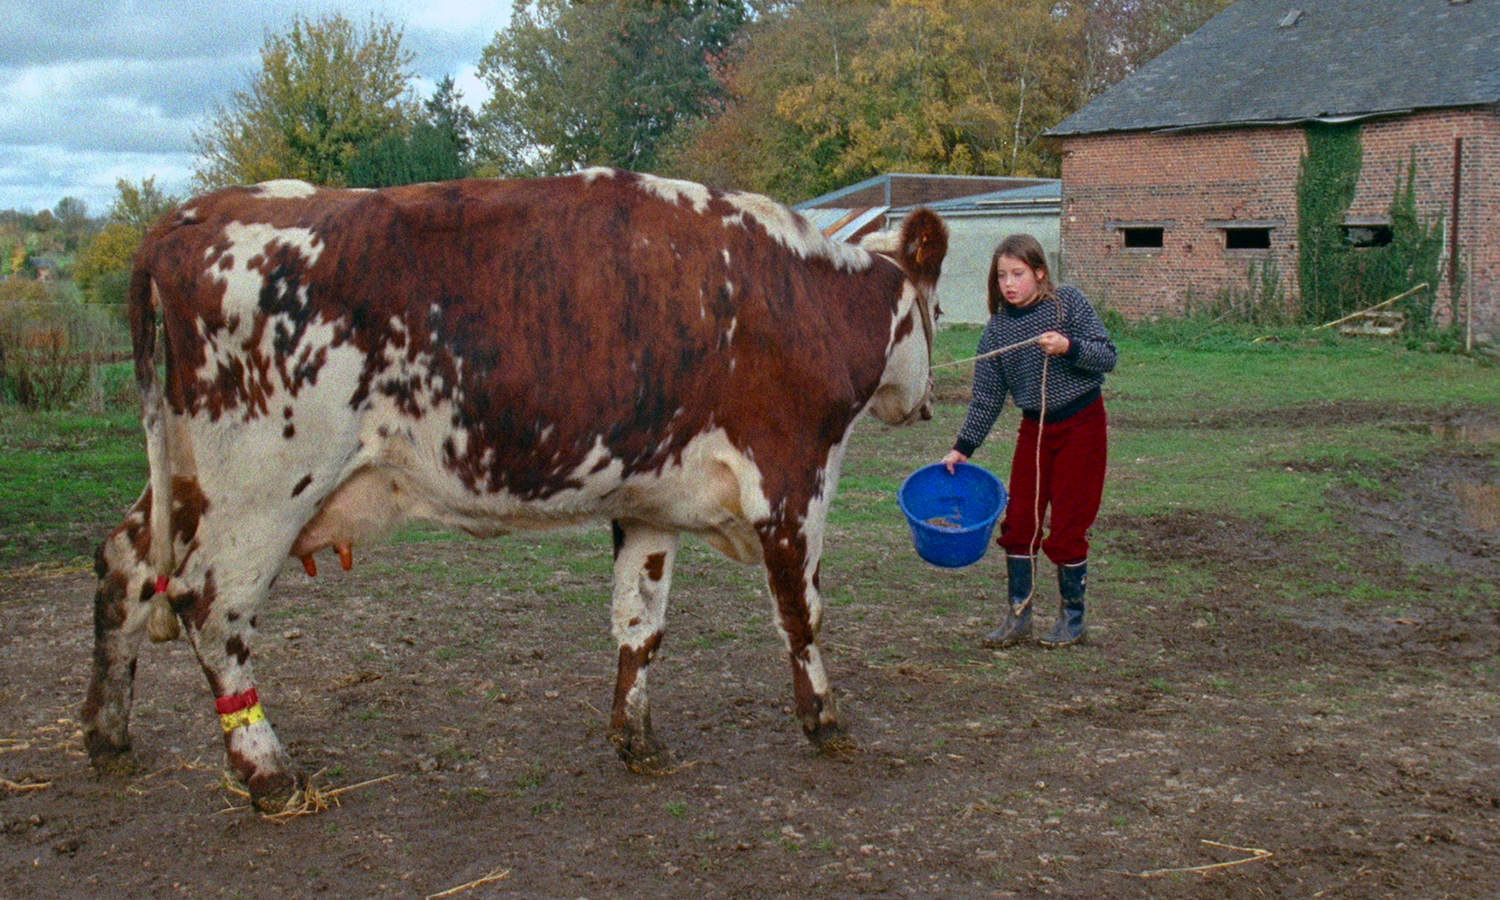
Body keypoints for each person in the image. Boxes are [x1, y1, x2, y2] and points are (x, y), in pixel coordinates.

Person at [941, 234, 1117, 648]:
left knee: (1070, 523)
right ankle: (1018, 617)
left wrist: (1069, 346)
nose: (1009, 283)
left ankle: (1072, 618)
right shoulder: (998, 331)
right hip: (1034, 430)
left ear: (1039, 273)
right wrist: (962, 447)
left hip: (1082, 425)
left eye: (1018, 273)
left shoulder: (1068, 304)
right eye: (1002, 275)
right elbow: (986, 397)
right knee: (1020, 521)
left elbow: (1107, 355)